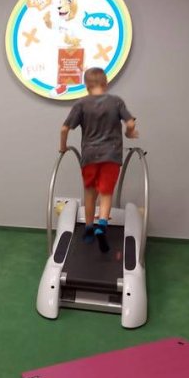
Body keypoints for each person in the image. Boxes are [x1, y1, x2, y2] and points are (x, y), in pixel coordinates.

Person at [59, 67, 139, 252]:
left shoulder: (81, 104)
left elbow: (64, 128)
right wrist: (129, 133)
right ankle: (101, 225)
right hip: (112, 155)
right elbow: (130, 122)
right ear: (106, 83)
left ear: (86, 85)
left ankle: (88, 229)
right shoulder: (116, 101)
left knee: (90, 192)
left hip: (89, 155)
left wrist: (63, 147)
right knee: (106, 193)